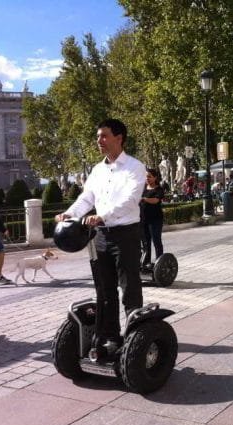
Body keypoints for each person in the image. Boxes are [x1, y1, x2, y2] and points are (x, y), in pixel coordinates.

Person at [55, 118, 146, 355]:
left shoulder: (135, 167)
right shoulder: (97, 169)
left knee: (130, 287)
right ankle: (109, 337)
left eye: (104, 136)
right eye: (98, 136)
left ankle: (136, 337)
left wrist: (102, 215)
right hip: (99, 236)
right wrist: (70, 214)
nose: (99, 141)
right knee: (104, 290)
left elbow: (131, 199)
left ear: (119, 138)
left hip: (125, 233)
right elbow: (87, 198)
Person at [140, 168, 164, 269]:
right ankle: (146, 262)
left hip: (155, 220)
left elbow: (155, 200)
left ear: (155, 177)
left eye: (149, 176)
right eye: (146, 177)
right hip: (143, 220)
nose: (147, 178)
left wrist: (144, 199)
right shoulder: (143, 189)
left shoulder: (159, 189)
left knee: (156, 241)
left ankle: (159, 263)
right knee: (146, 242)